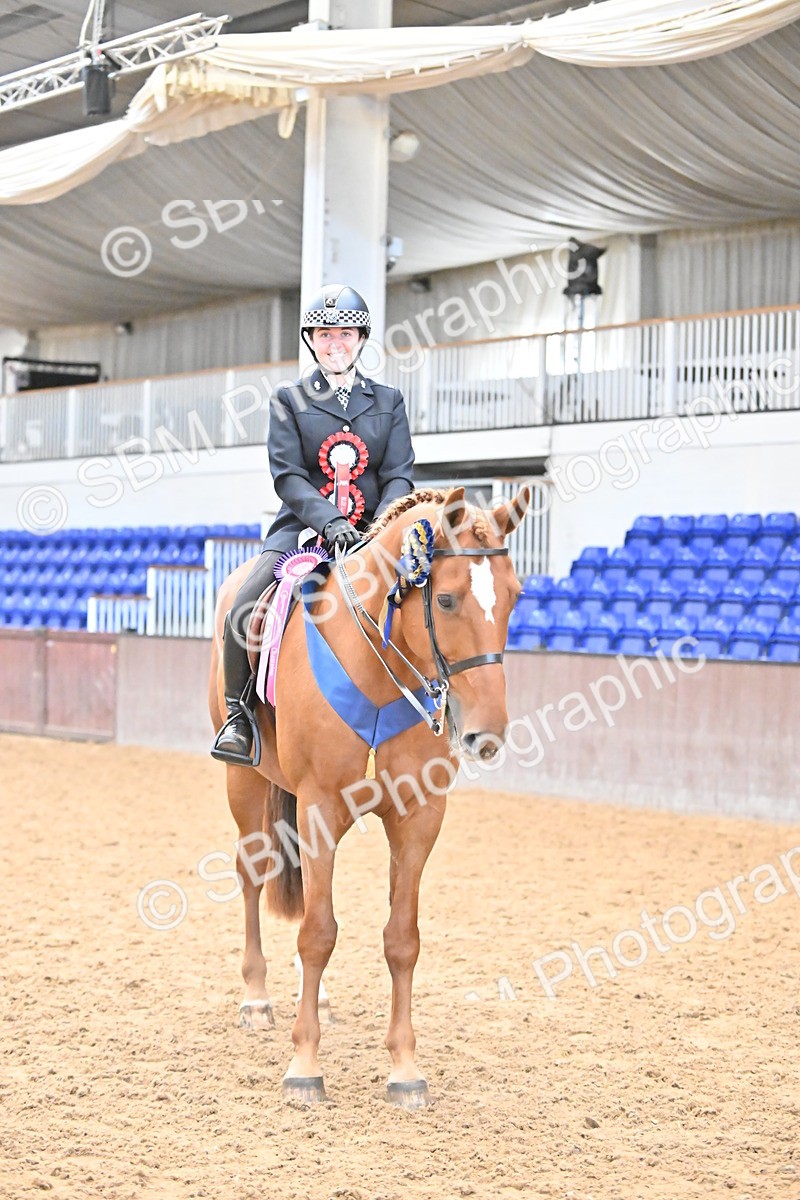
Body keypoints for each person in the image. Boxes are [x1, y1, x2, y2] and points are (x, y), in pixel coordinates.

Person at [211, 283, 416, 766]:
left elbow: (399, 475)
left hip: (374, 534)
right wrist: (330, 522)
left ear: (361, 339)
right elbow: (288, 476)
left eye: (344, 332)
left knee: (433, 598)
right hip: (300, 533)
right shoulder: (289, 400)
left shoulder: (388, 401)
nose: (335, 342)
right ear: (312, 340)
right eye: (325, 334)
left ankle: (439, 707)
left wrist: (379, 528)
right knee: (245, 604)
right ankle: (239, 716)